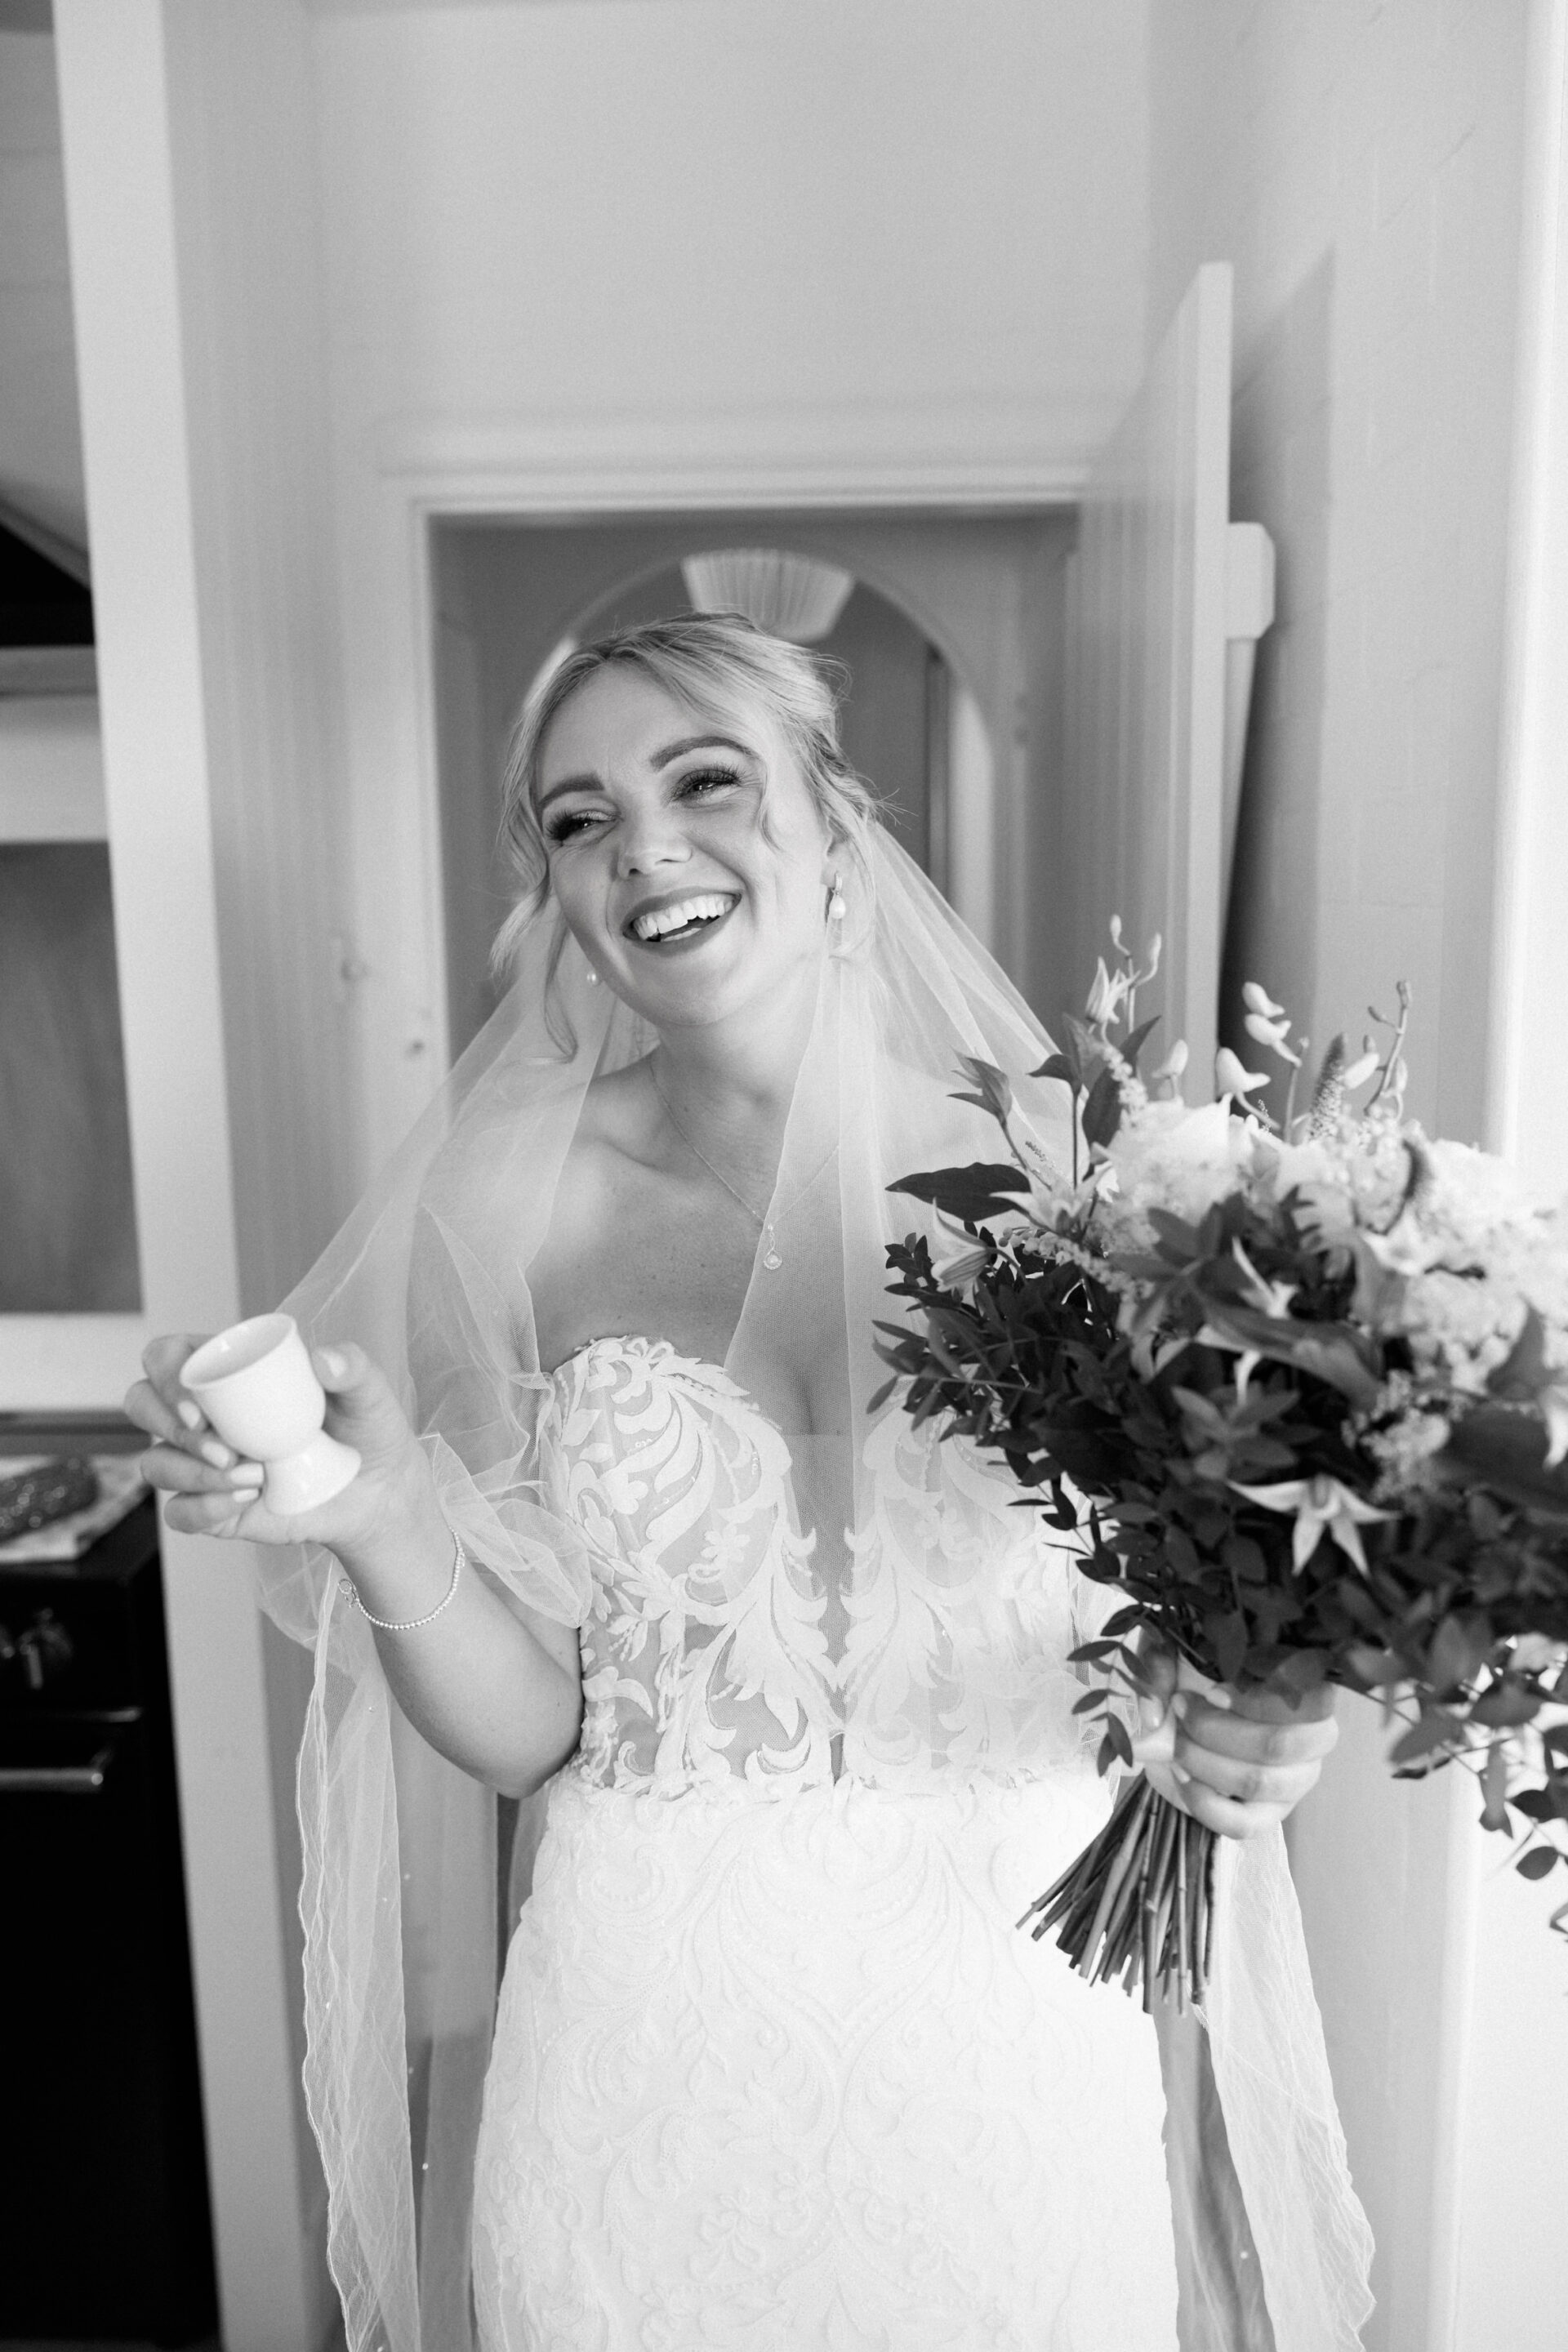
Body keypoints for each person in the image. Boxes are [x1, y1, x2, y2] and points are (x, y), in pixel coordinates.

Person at [128, 617, 1372, 2352]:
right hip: (645, 2077)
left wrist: (1256, 1719)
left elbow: (1206, 1619)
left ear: (839, 840)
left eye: (705, 780)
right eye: (577, 818)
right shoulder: (505, 1210)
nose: (642, 845)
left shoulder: (1095, 1190)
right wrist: (381, 1519)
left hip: (1009, 2062)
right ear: (558, 898)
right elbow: (538, 1727)